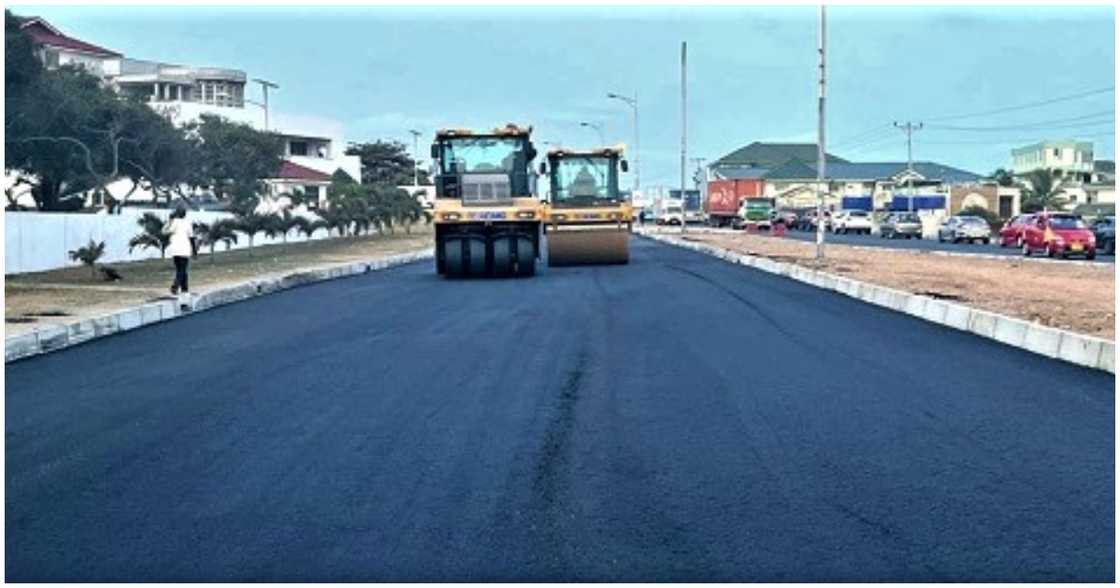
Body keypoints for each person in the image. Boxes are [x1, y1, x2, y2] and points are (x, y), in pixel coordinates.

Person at [163, 206, 196, 308]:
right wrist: (194, 251)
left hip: (175, 250)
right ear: (185, 214)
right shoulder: (187, 223)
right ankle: (175, 286)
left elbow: (164, 231)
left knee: (181, 270)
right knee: (182, 270)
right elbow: (191, 238)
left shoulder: (174, 222)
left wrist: (169, 220)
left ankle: (185, 291)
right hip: (184, 249)